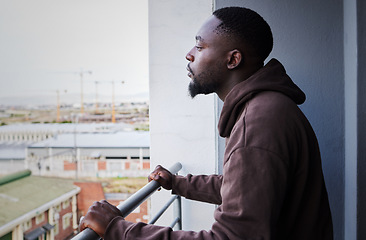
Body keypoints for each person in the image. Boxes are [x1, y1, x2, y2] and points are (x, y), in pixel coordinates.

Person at [79, 6, 333, 239]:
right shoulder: (269, 108)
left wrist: (118, 229)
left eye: (200, 47)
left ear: (233, 60)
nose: (189, 55)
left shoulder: (257, 124)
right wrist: (177, 183)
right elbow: (243, 187)